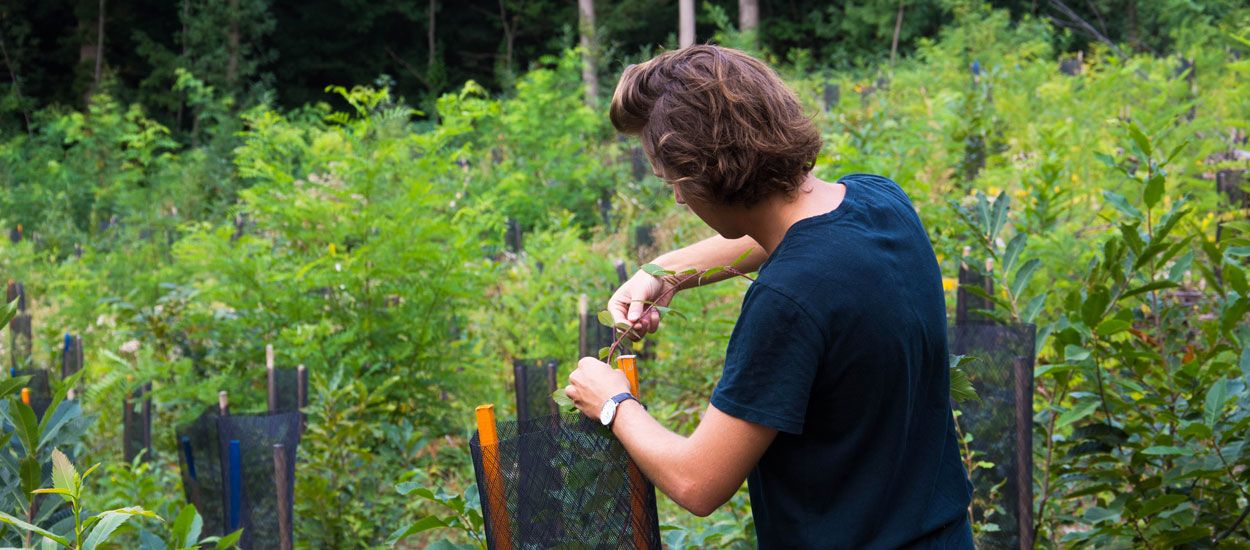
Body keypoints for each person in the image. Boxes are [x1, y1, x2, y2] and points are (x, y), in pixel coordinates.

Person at [563, 45, 974, 548]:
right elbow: (782, 237)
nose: (675, 196)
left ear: (705, 174)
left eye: (673, 180)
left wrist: (613, 403)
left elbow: (698, 482)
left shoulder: (788, 301)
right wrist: (662, 273)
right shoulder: (880, 200)